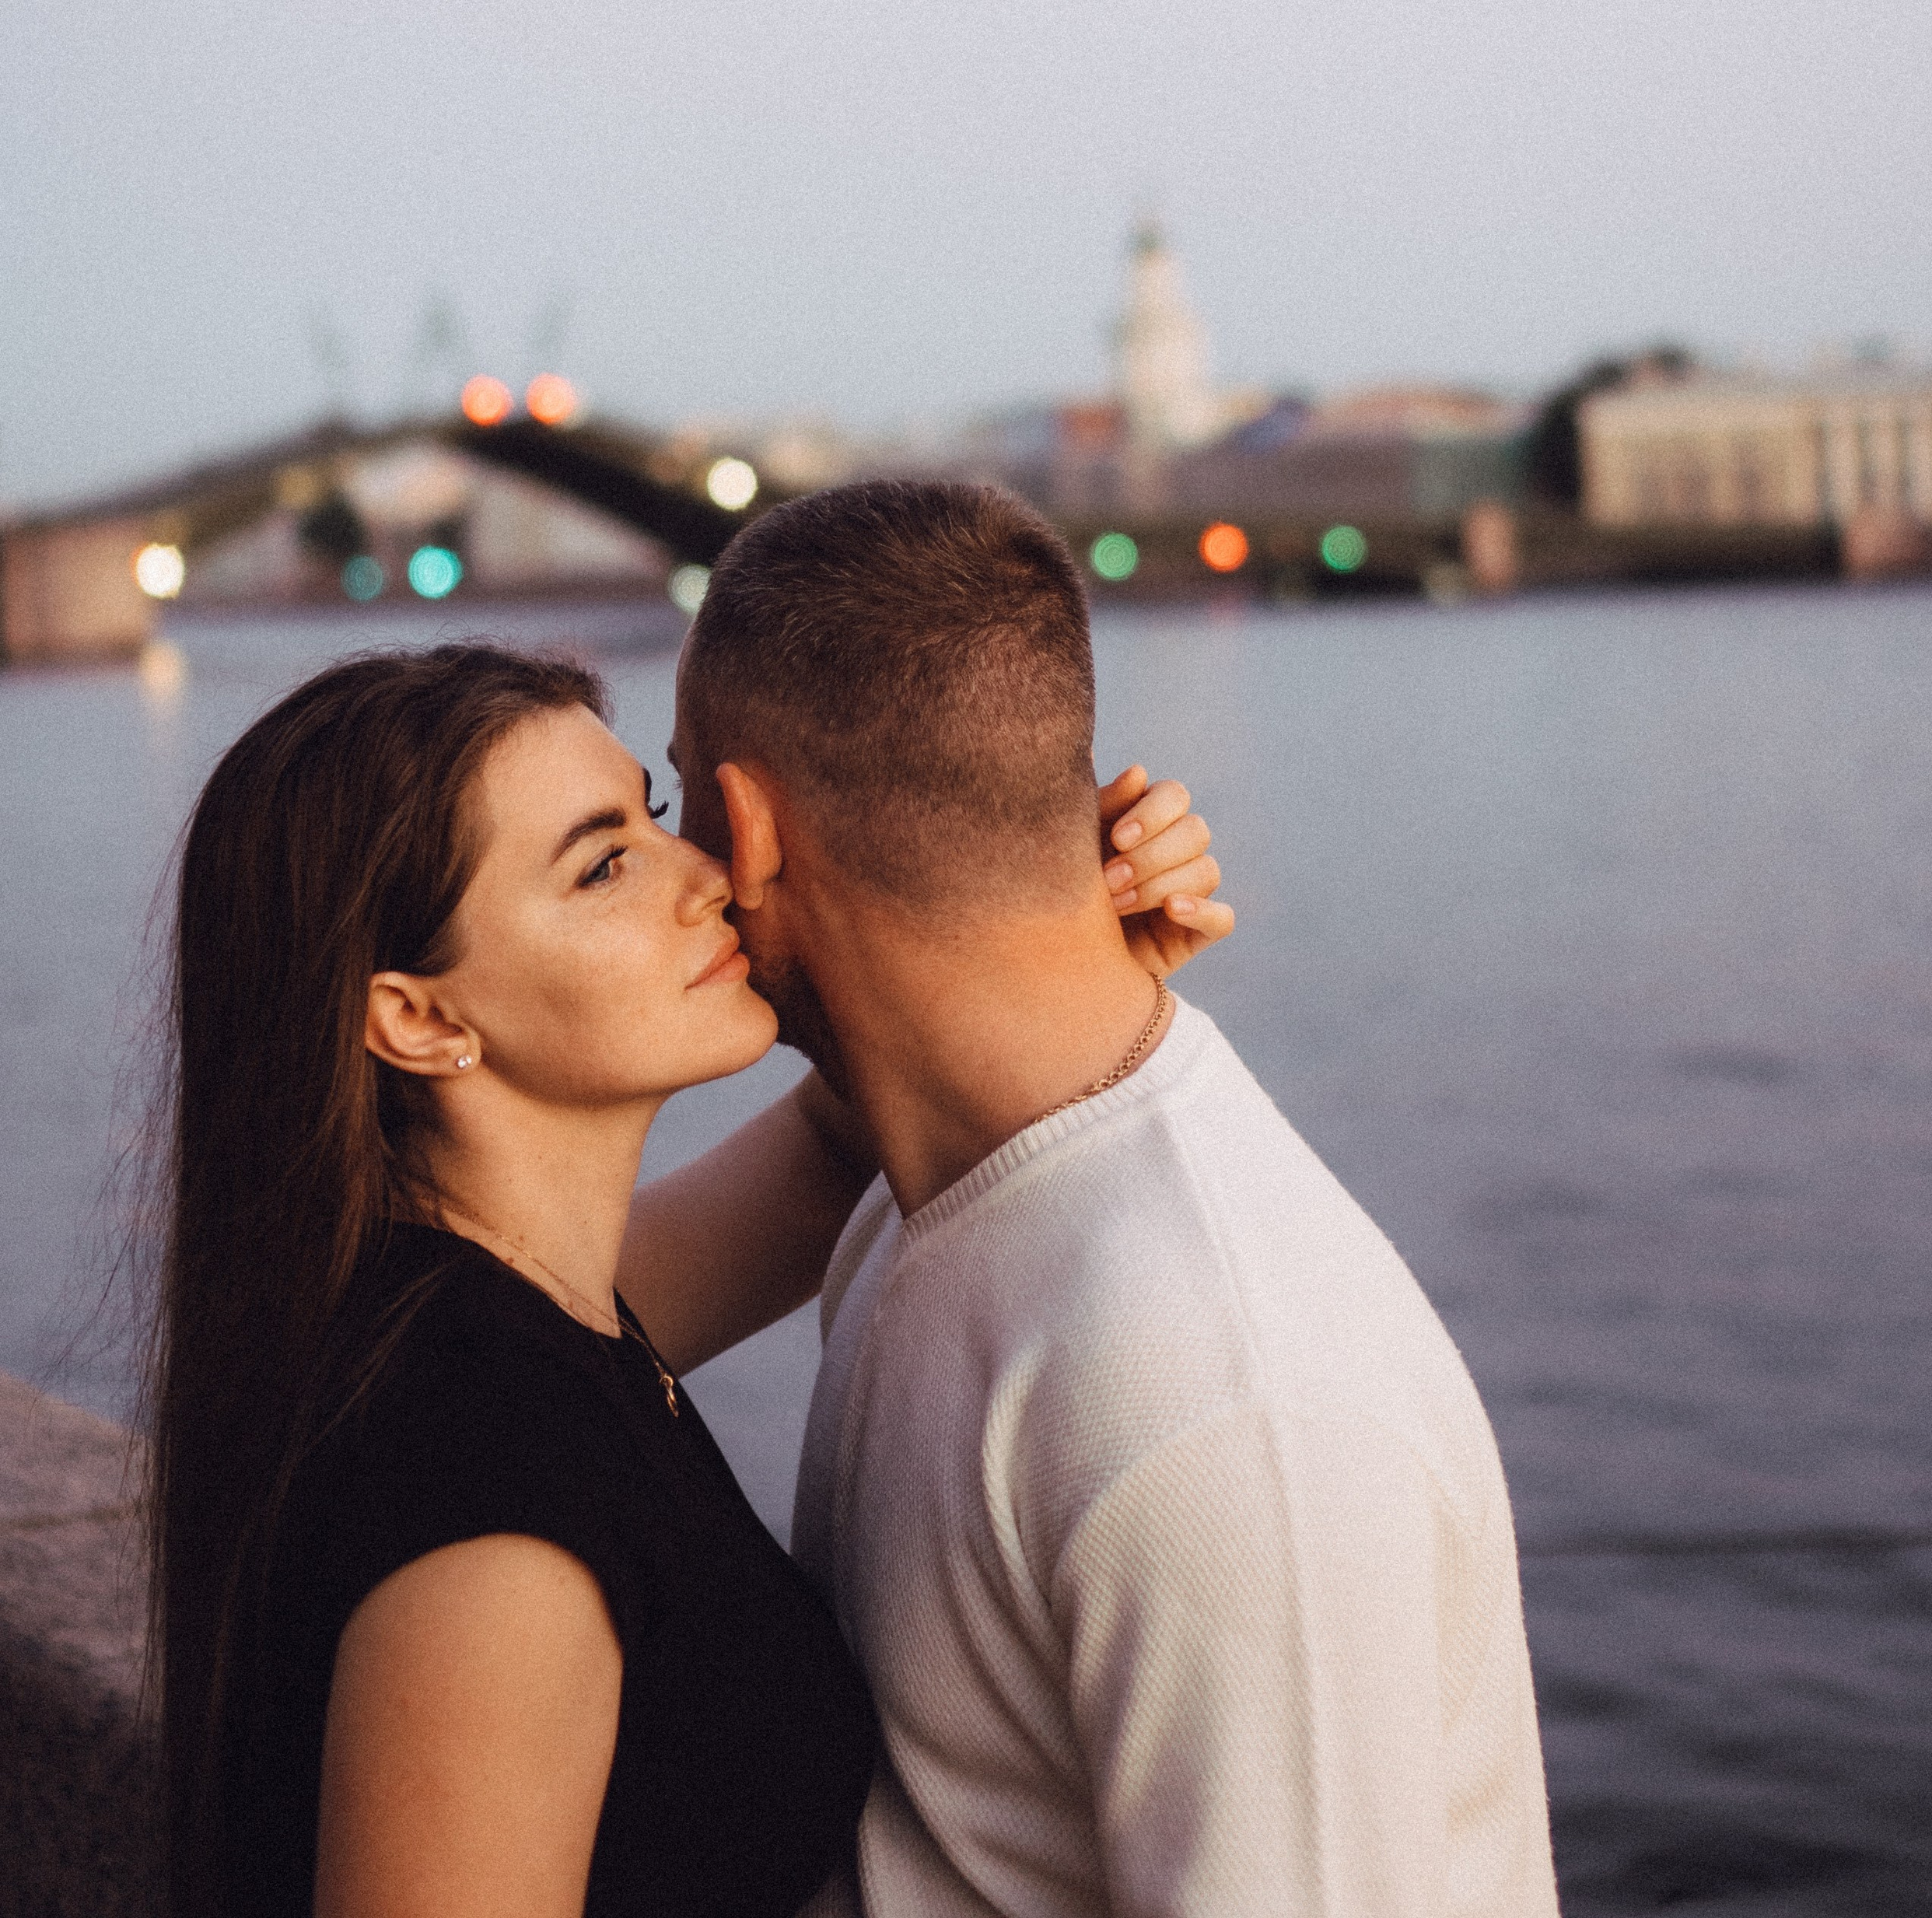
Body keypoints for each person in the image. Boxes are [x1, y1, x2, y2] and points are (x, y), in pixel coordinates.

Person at [152, 641, 1226, 1918]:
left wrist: (1041, 925)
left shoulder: (489, 1312)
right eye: (605, 863)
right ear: (422, 1020)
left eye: (653, 820)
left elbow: (852, 1131)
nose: (710, 875)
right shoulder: (492, 1507)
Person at [672, 480, 1561, 1918]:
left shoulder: (1221, 1403)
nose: (678, 874)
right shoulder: (916, 1202)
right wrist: (1063, 954)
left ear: (752, 832)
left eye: (677, 804)